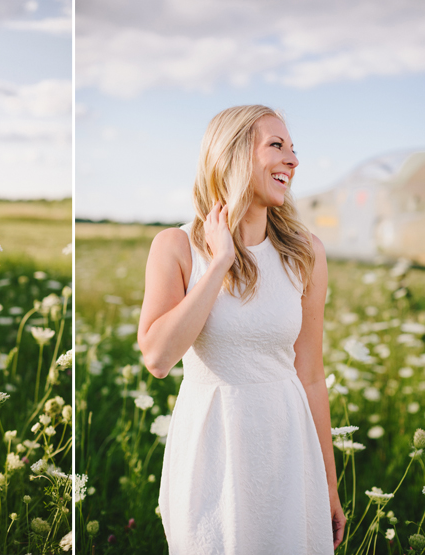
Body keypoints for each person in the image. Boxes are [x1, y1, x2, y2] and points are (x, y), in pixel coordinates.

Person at [138, 105, 346, 554]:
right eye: (276, 145)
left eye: (294, 149)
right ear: (231, 155)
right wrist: (217, 265)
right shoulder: (176, 246)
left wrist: (328, 485)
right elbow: (157, 358)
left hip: (288, 444)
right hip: (213, 447)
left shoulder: (306, 253)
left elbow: (311, 374)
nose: (292, 160)